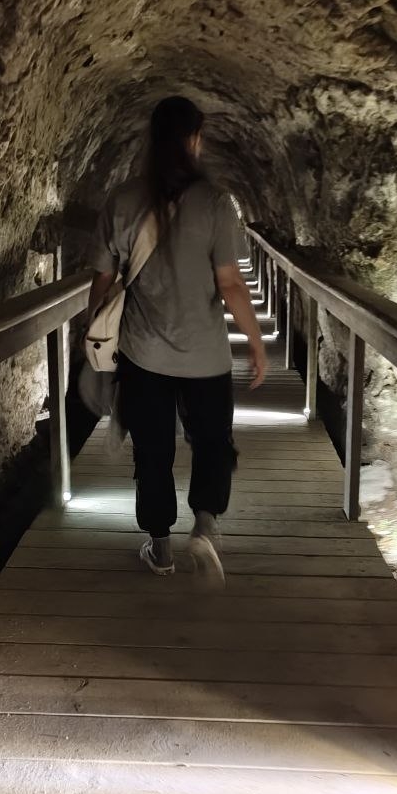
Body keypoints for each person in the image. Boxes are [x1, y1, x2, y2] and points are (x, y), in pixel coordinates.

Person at [86, 96, 267, 580]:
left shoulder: (122, 200)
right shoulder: (216, 203)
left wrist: (92, 331)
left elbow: (102, 279)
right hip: (206, 356)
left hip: (143, 353)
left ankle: (160, 546)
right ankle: (205, 524)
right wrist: (254, 341)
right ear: (194, 140)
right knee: (212, 442)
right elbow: (231, 283)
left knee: (152, 450)